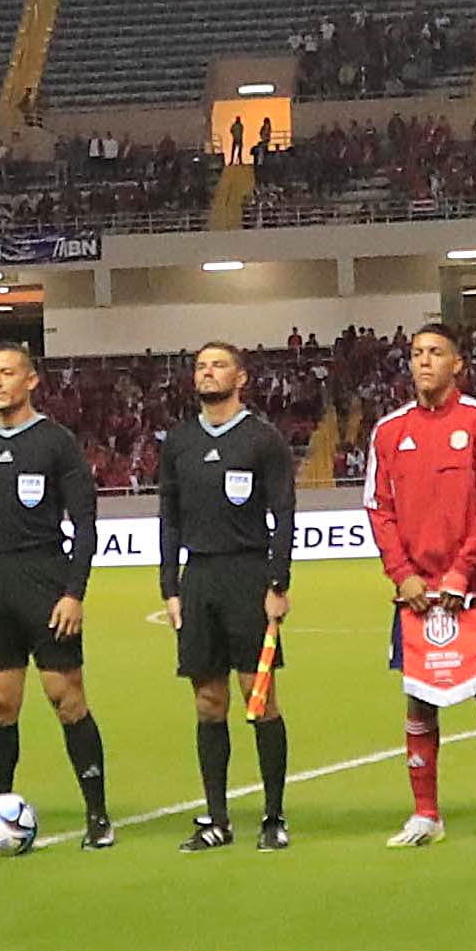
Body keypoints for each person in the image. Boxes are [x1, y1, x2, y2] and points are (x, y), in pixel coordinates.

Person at [0, 342, 112, 849]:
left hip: (45, 578)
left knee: (66, 698)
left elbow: (85, 526)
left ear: (31, 380)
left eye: (7, 373)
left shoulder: (56, 442)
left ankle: (97, 815)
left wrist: (73, 592)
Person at [366, 321, 476, 848]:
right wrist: (403, 575)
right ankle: (426, 814)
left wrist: (461, 572)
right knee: (418, 699)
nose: (424, 361)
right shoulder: (389, 431)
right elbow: (378, 510)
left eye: (435, 353)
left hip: (471, 589)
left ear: (458, 364)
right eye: (416, 353)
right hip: (413, 593)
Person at [151, 341, 296, 850]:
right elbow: (168, 515)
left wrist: (278, 583)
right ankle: (217, 818)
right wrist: (169, 586)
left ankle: (273, 817)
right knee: (208, 702)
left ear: (241, 377)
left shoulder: (263, 439)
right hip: (199, 579)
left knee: (259, 699)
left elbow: (284, 515)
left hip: (248, 575)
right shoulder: (181, 441)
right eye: (200, 366)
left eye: (218, 365)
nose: (207, 373)